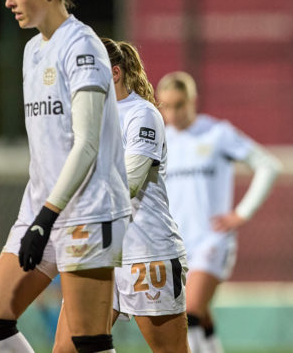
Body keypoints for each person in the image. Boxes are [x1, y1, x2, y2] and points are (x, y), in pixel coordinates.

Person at [0, 0, 131, 353]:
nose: (9, 1)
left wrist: (48, 215)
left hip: (87, 210)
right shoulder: (32, 51)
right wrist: (39, 214)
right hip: (41, 208)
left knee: (87, 343)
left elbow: (86, 146)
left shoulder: (82, 46)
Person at [53, 38, 190, 352]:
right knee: (67, 349)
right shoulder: (85, 117)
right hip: (97, 251)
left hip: (145, 252)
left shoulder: (142, 115)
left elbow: (129, 184)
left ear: (114, 73)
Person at [156, 71, 282, 353]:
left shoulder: (217, 133)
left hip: (211, 240)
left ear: (193, 101)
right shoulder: (159, 140)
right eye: (166, 106)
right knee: (197, 315)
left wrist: (242, 212)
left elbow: (268, 166)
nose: (173, 113)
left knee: (189, 311)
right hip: (175, 243)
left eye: (179, 105)